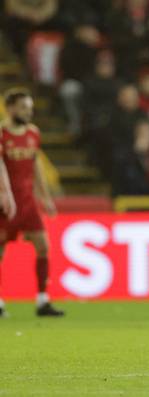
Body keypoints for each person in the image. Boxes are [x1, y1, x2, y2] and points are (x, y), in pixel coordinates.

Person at [0, 88, 64, 317]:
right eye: (24, 107)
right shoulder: (1, 134)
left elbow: (35, 164)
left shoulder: (33, 133)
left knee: (43, 246)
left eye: (31, 108)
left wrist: (45, 196)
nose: (29, 112)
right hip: (5, 204)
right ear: (9, 108)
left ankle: (42, 300)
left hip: (27, 202)